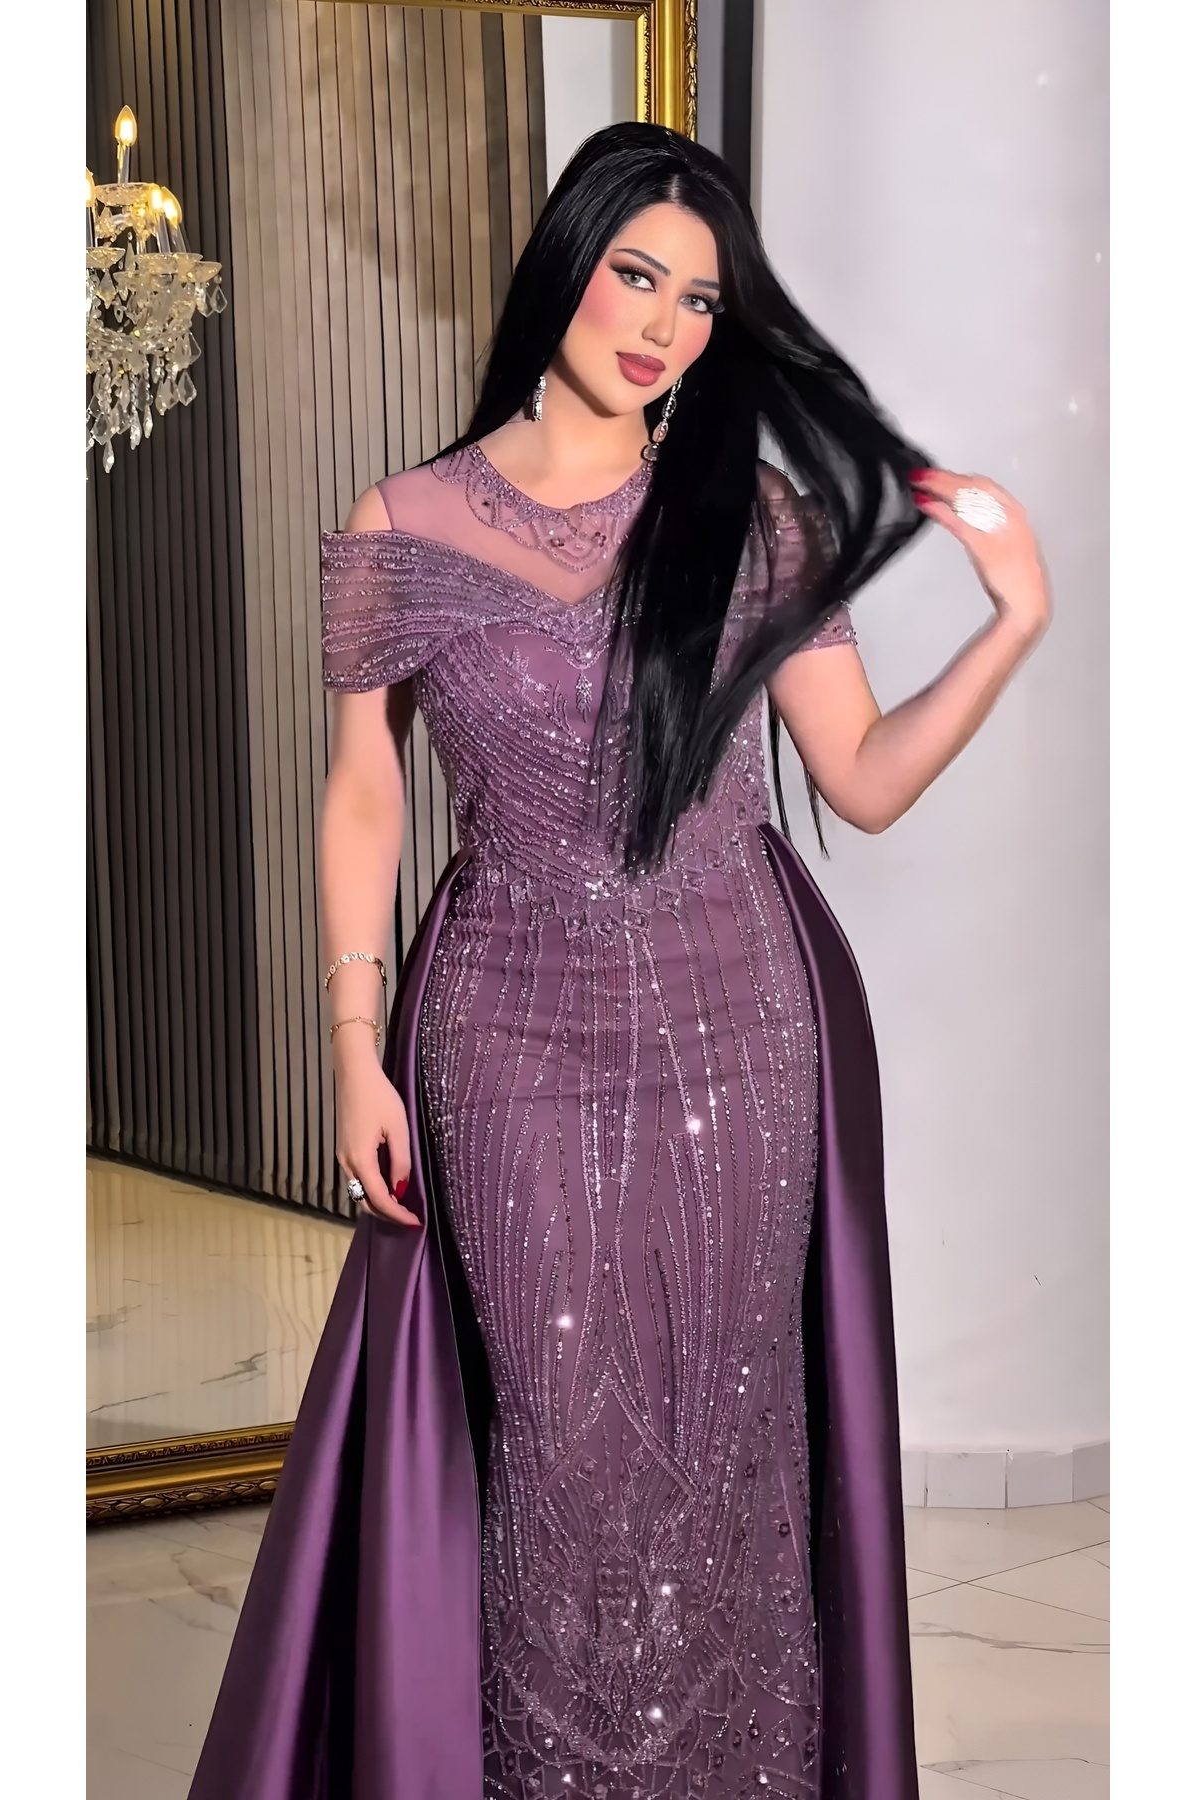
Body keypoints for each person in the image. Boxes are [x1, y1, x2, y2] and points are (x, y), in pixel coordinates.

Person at [189, 124, 1050, 1800]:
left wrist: (1010, 621)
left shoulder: (752, 517)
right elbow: (364, 791)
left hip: (742, 1035)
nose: (661, 324)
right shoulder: (404, 522)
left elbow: (862, 778)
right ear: (565, 263)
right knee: (556, 1456)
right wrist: (353, 1043)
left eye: (700, 301)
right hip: (505, 1031)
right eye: (636, 274)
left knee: (729, 1451)